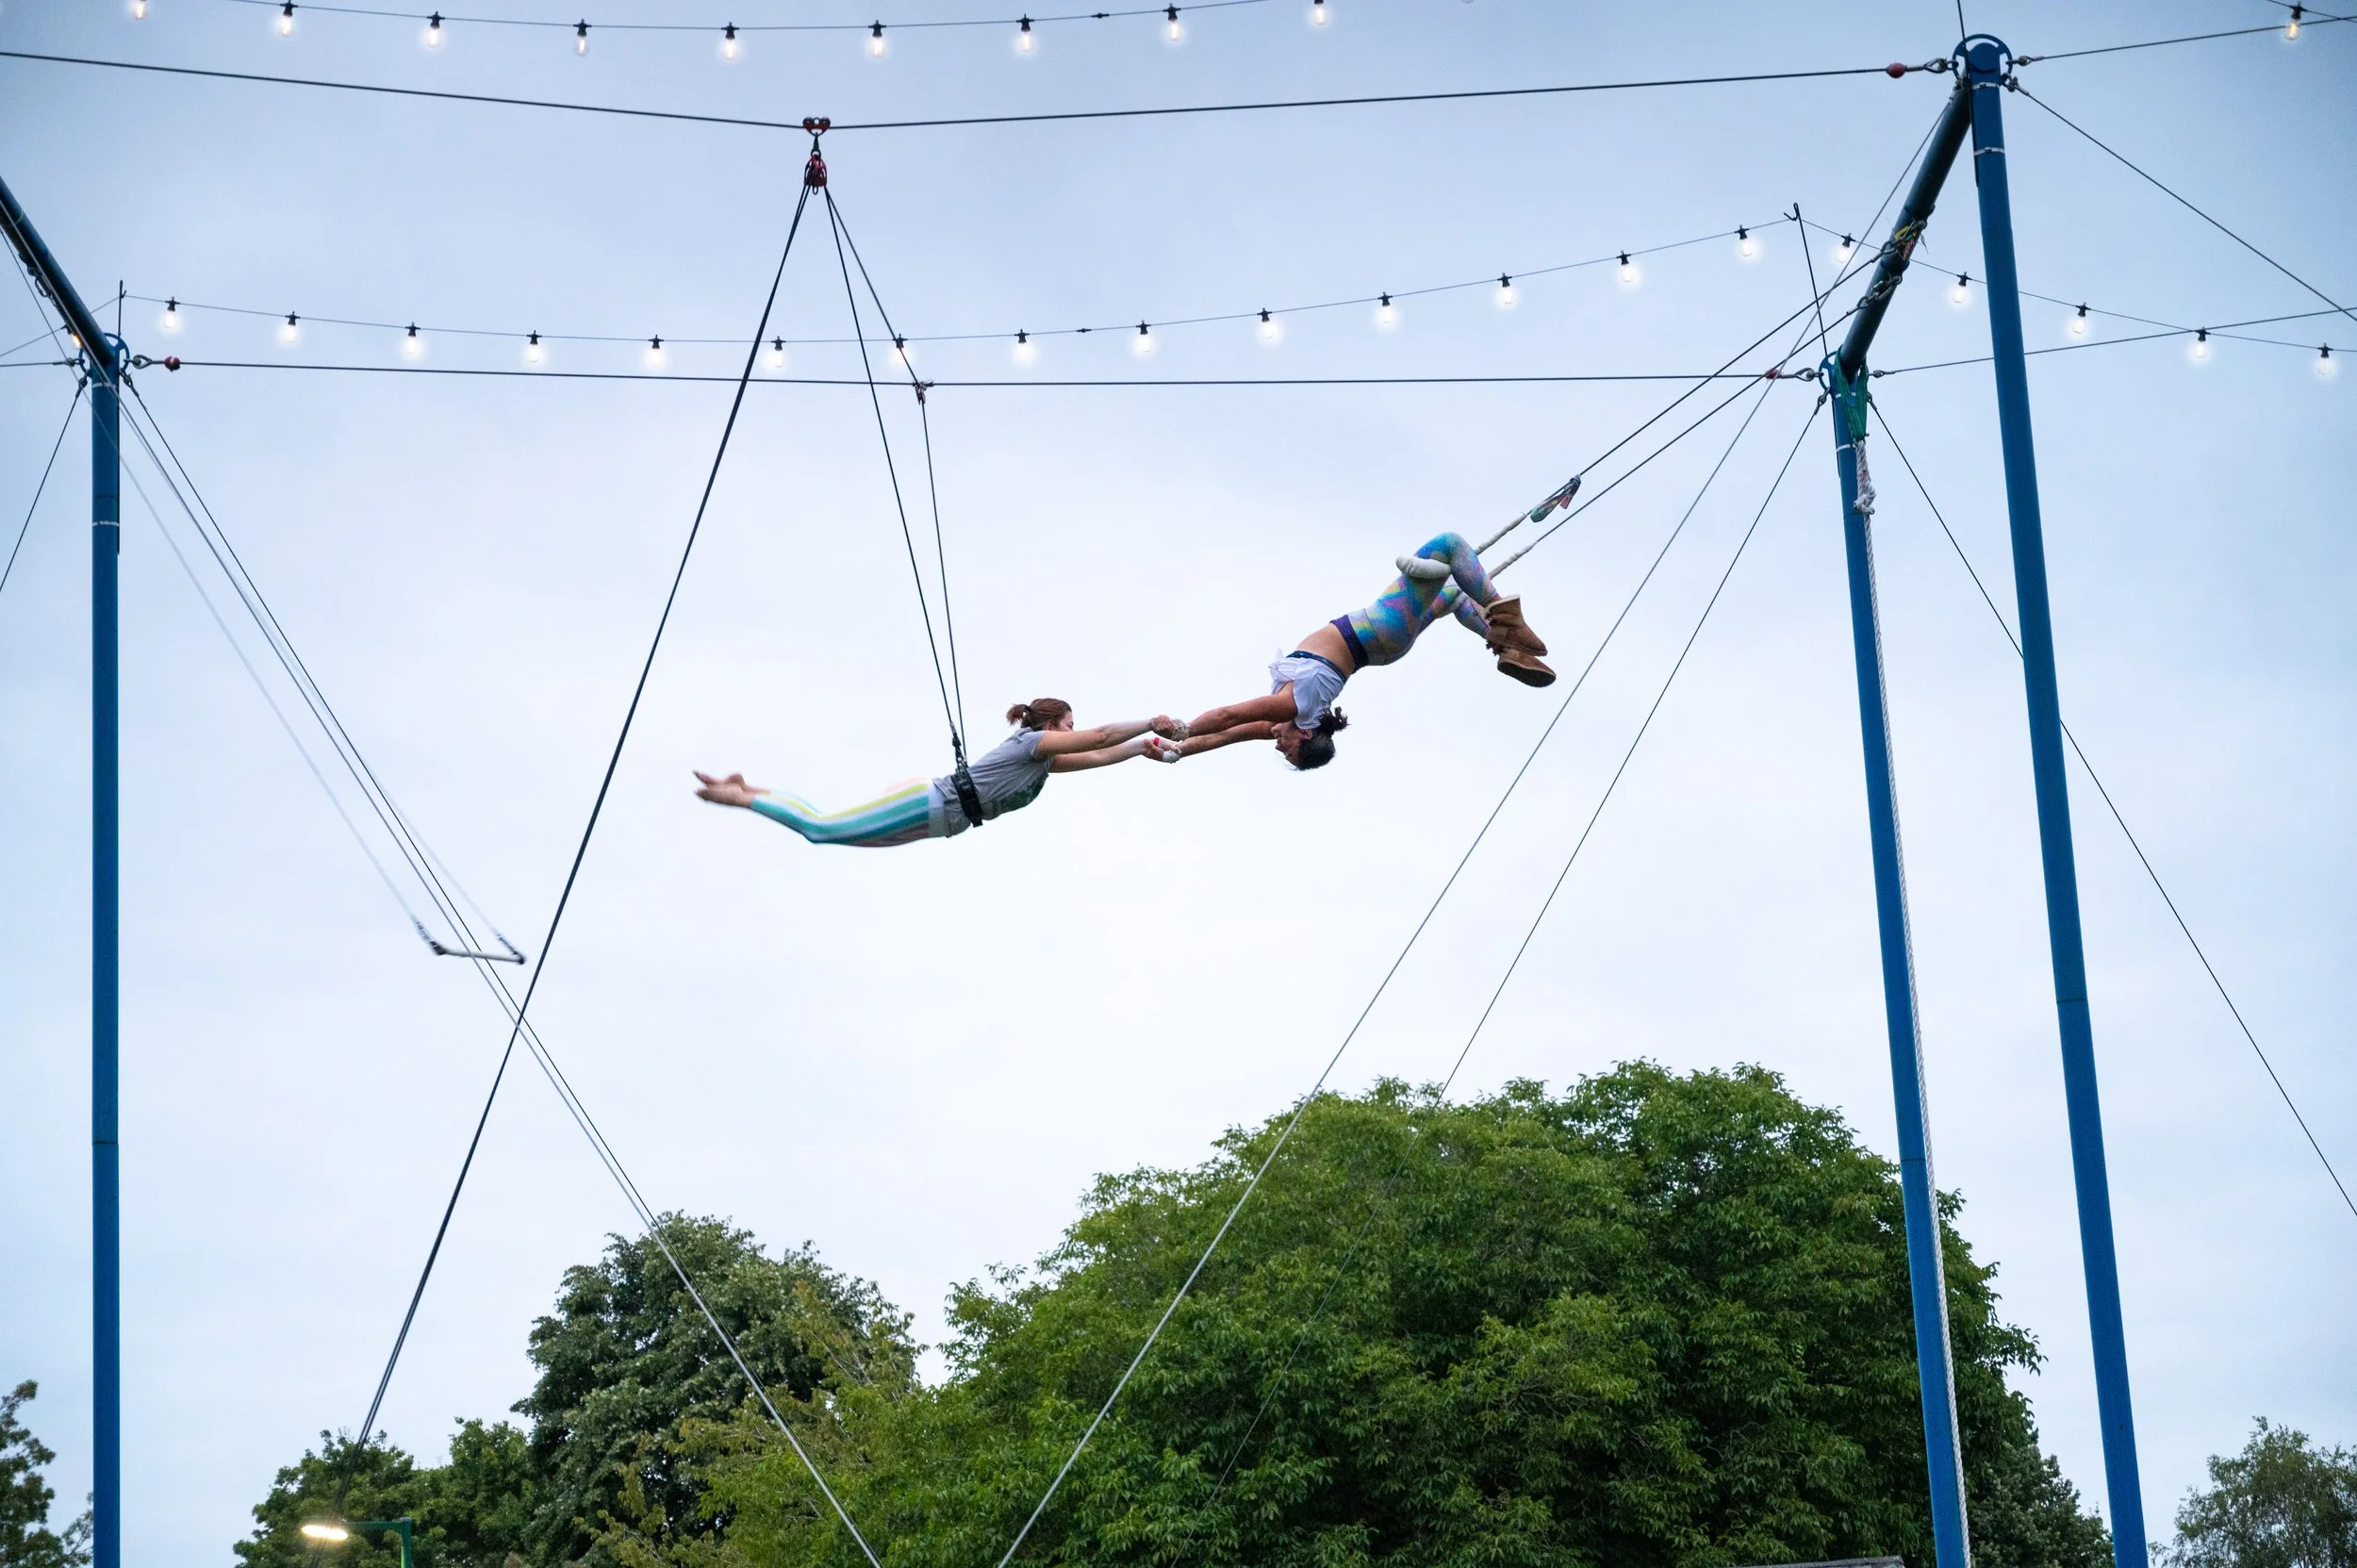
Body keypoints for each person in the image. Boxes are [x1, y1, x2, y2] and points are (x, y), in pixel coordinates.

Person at [1160, 530, 1554, 771]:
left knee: (1451, 595)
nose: (1280, 747)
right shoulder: (1290, 709)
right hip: (1380, 629)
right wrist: (1185, 727)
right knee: (1450, 545)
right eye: (1291, 751)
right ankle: (1508, 621)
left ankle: (1506, 646)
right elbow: (1227, 715)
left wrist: (1176, 750)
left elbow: (1225, 736)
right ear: (1308, 735)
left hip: (1383, 645)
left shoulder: (1284, 719)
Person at [694, 699, 1181, 848]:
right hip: (927, 803)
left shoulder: (1043, 765)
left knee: (826, 829)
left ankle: (748, 788)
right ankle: (740, 796)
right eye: (1068, 726)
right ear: (1052, 725)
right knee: (821, 830)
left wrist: (1141, 747)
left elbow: (1097, 756)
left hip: (937, 821)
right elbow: (1097, 739)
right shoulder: (1033, 744)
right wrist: (1148, 721)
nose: (1075, 732)